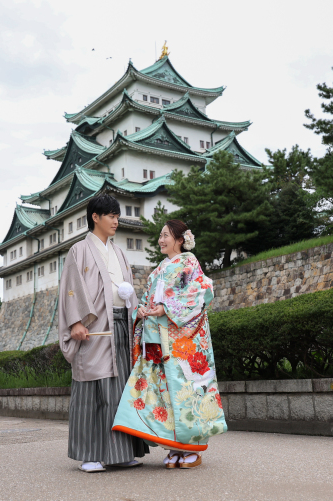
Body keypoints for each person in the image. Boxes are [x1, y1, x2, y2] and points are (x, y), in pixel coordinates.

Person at [112, 220, 227, 469]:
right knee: (163, 392)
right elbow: (147, 298)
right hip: (158, 339)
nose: (161, 240)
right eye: (160, 235)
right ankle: (175, 446)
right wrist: (141, 310)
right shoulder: (158, 269)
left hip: (182, 341)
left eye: (166, 235)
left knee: (187, 390)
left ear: (180, 240)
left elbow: (199, 293)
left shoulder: (189, 262)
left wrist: (166, 308)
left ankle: (192, 447)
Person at [58, 194, 148, 473]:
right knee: (93, 387)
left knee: (121, 388)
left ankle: (121, 453)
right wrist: (75, 322)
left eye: (117, 216)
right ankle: (90, 454)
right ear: (95, 217)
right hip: (94, 328)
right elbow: (70, 288)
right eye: (111, 216)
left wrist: (134, 305)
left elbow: (126, 288)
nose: (116, 221)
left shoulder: (119, 252)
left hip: (121, 324)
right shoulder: (79, 250)